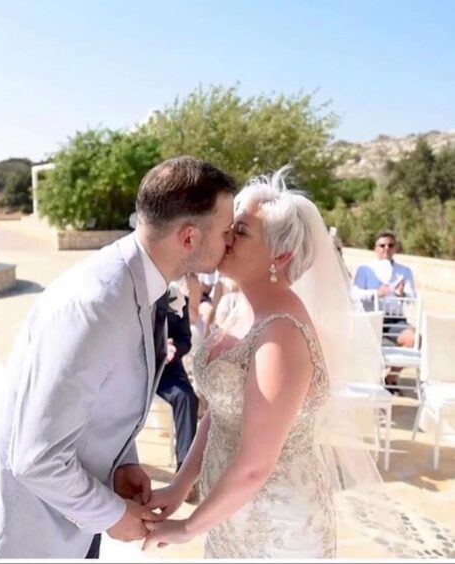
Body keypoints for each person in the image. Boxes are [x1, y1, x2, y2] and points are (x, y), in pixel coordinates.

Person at [0, 156, 237, 559]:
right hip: (27, 536)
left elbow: (105, 394)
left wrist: (122, 463)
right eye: (227, 231)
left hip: (69, 518)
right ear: (189, 237)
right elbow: (35, 457)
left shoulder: (141, 281)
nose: (230, 241)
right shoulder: (94, 307)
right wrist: (112, 515)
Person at [142, 166, 383, 558]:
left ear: (280, 254)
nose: (226, 237)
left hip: (276, 524)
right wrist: (179, 486)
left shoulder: (282, 335)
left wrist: (187, 527)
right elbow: (219, 413)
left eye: (240, 231)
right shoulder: (238, 308)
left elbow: (256, 464)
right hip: (229, 511)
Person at [353, 230, 417, 390]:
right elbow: (354, 293)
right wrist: (376, 293)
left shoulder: (404, 271)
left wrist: (402, 293)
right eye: (382, 245)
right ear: (376, 248)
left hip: (394, 320)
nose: (386, 249)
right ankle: (370, 385)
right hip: (370, 318)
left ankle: (391, 376)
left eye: (390, 245)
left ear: (395, 248)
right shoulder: (365, 269)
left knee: (414, 340)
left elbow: (413, 296)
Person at [156, 291, 199, 500]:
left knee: (186, 397)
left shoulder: (178, 298)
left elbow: (186, 340)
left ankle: (184, 472)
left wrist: (173, 349)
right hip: (136, 369)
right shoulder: (135, 294)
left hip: (169, 370)